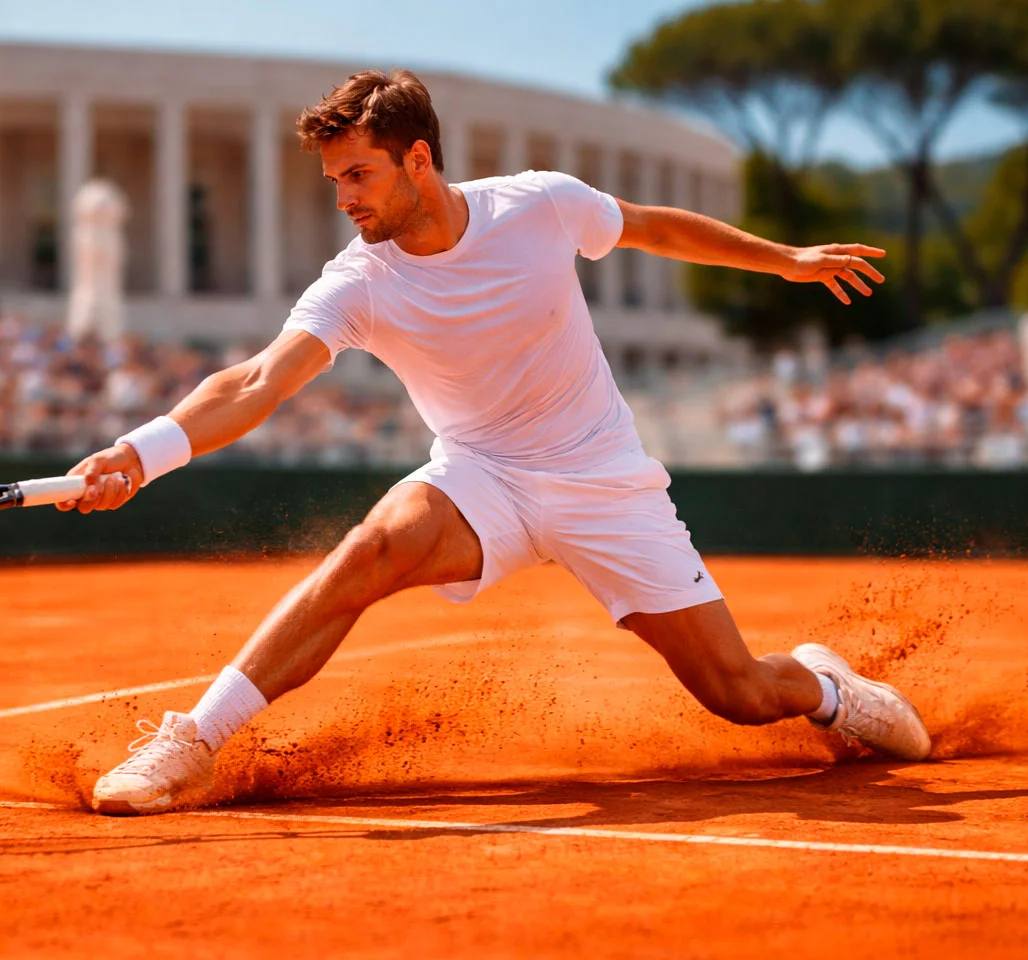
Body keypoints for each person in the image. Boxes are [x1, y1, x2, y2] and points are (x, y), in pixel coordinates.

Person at [55, 69, 930, 815]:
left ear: (420, 159)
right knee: (367, 551)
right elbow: (254, 381)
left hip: (604, 480)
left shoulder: (542, 204)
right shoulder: (357, 280)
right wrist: (140, 453)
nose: (345, 198)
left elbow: (656, 227)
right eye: (334, 182)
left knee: (739, 694)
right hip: (483, 479)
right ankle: (193, 740)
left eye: (359, 174)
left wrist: (783, 259)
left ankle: (825, 689)